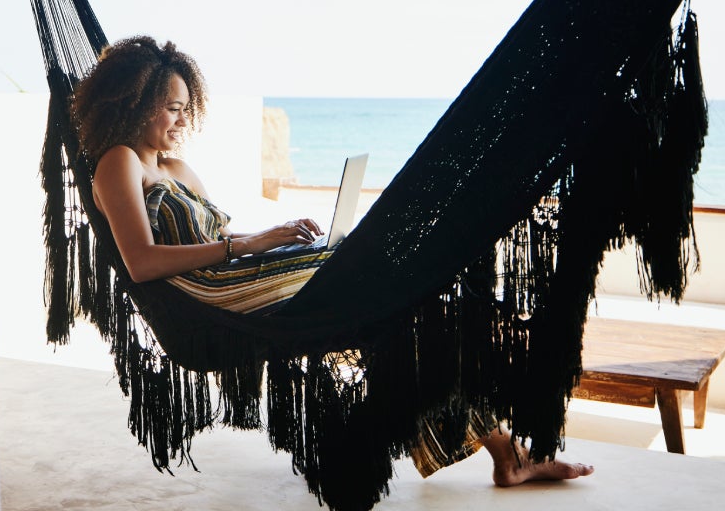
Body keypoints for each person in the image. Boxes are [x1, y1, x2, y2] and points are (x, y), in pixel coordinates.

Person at [69, 35, 594, 487]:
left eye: (187, 106)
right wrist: (249, 247)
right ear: (136, 104)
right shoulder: (119, 163)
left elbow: (225, 236)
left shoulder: (177, 166)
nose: (183, 119)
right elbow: (140, 262)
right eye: (172, 107)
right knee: (385, 284)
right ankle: (509, 455)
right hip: (209, 300)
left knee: (402, 311)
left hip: (236, 279)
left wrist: (273, 237)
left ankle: (510, 456)